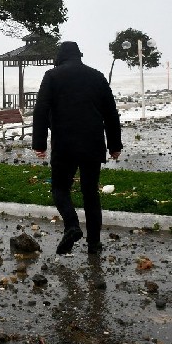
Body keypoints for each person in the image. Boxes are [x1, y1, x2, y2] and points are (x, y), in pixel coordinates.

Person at [32, 41, 122, 255]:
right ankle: (94, 244)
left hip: (65, 144)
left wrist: (39, 143)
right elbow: (111, 112)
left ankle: (72, 225)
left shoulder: (52, 76)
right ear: (79, 55)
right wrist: (114, 145)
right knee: (90, 192)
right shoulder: (97, 76)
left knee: (60, 188)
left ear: (60, 57)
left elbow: (41, 109)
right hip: (93, 143)